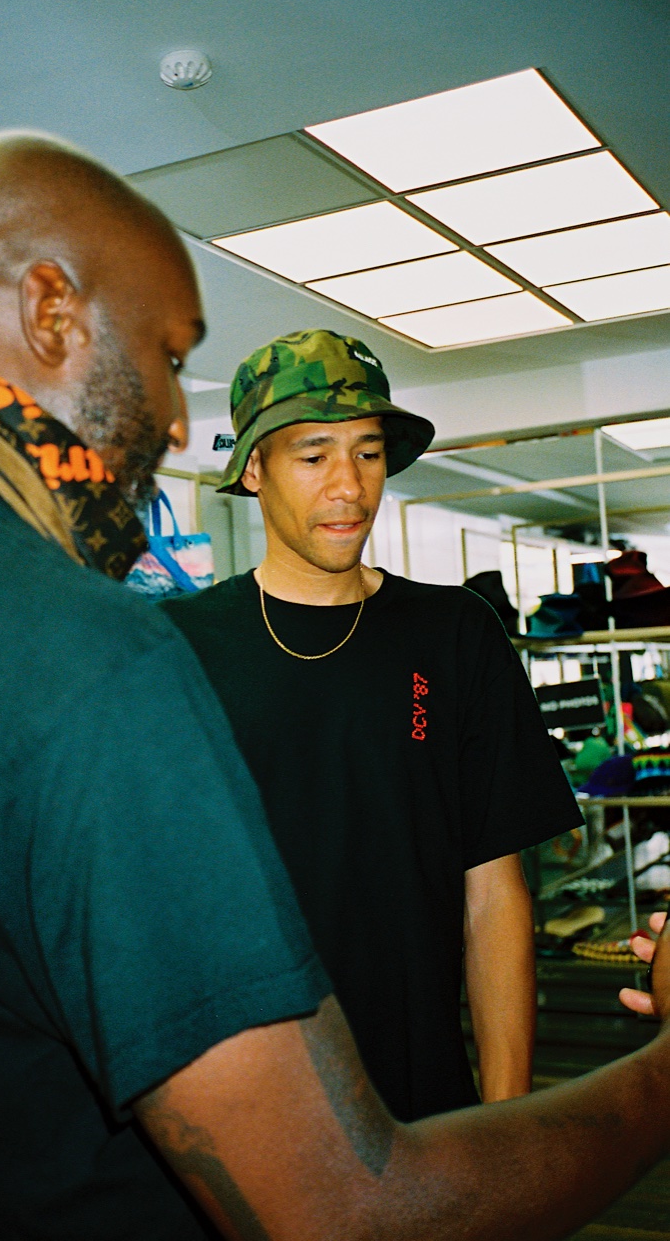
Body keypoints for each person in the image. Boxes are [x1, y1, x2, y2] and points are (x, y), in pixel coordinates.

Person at [0, 131, 670, 1241]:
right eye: (170, 355)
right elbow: (340, 1208)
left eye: (366, 451)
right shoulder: (103, 658)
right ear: (52, 313)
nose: (176, 421)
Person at [163, 329, 580, 1121]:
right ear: (255, 469)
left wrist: (504, 1127)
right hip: (244, 1108)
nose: (348, 487)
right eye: (313, 455)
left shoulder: (455, 633)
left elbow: (494, 895)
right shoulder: (179, 645)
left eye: (368, 453)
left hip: (421, 1099)